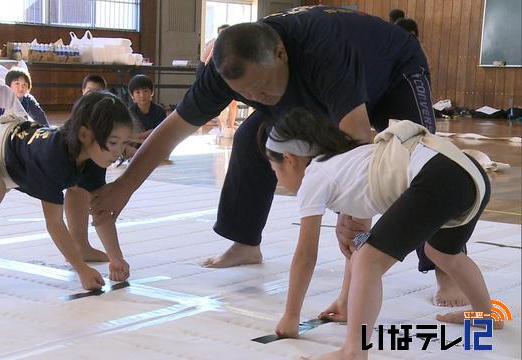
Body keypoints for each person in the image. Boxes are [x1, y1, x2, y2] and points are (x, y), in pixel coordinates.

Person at [90, 6, 465, 306]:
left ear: (281, 54)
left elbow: (357, 136)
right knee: (253, 136)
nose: (262, 98)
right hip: (313, 88)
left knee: (420, 160)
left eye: (265, 87)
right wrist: (123, 187)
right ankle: (245, 241)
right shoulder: (225, 70)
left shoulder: (323, 47)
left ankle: (444, 265)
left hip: (392, 68)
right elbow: (172, 130)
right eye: (249, 95)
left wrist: (353, 216)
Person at [266, 108, 501, 360]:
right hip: (469, 173)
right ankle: (485, 316)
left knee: (367, 261)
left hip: (439, 176)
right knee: (443, 253)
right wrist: (345, 302)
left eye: (274, 169)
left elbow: (305, 254)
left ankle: (353, 352)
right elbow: (358, 242)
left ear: (289, 159)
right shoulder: (349, 160)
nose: (277, 178)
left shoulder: (315, 175)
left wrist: (291, 316)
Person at [0, 91, 133, 300]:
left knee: (82, 188)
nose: (117, 152)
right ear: (84, 135)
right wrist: (81, 269)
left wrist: (116, 258)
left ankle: (80, 246)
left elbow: (101, 208)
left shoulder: (94, 157)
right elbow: (54, 223)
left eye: (123, 144)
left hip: (13, 162)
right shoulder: (53, 155)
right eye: (113, 143)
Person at [200, 24, 237, 139]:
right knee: (222, 101)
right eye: (222, 33)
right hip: (210, 72)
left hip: (223, 71)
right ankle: (223, 128)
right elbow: (207, 63)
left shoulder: (230, 44)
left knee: (233, 101)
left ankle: (230, 127)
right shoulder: (216, 43)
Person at [124, 74, 167, 157]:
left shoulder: (159, 110)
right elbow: (129, 136)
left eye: (145, 91)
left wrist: (137, 137)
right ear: (132, 95)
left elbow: (159, 131)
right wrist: (137, 139)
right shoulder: (130, 112)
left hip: (154, 144)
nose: (142, 95)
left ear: (152, 92)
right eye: (137, 92)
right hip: (136, 147)